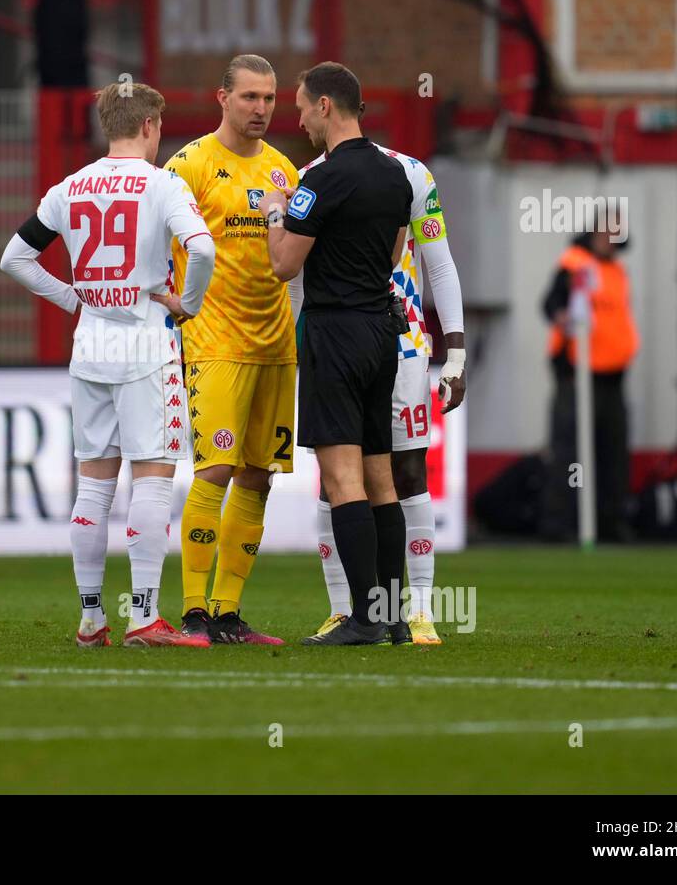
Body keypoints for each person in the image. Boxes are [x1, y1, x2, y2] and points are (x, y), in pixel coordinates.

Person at [0, 81, 216, 647]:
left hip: (91, 344)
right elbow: (204, 248)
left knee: (94, 483)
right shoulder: (163, 184)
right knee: (153, 475)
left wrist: (73, 297)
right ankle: (145, 616)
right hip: (145, 343)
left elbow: (15, 257)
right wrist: (187, 305)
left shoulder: (69, 187)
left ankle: (92, 618)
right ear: (149, 126)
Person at [262, 61, 414, 646]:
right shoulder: (395, 175)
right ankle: (394, 615)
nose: (297, 118)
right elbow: (396, 250)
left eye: (301, 107)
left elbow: (283, 264)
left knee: (342, 477)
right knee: (382, 478)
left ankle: (362, 619)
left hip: (334, 331)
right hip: (381, 331)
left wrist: (278, 208)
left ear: (327, 105)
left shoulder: (318, 182)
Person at [291, 143, 466, 646]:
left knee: (405, 472)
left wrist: (454, 353)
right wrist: (301, 345)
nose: (299, 119)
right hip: (341, 338)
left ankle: (419, 610)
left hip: (404, 340)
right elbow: (298, 277)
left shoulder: (412, 174)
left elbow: (440, 264)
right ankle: (345, 610)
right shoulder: (311, 176)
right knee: (336, 476)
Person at [162, 54, 301, 645]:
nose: (261, 109)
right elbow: (156, 242)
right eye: (249, 97)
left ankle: (227, 613)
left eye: (269, 98)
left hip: (276, 342)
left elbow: (292, 258)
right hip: (214, 338)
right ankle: (193, 610)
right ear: (221, 98)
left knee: (258, 475)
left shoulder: (283, 171)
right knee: (215, 468)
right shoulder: (188, 166)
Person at [539, 208, 638, 541]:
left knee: (613, 452)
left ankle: (611, 521)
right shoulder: (575, 262)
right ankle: (560, 523)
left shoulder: (617, 270)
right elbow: (552, 302)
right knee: (570, 451)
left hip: (613, 375)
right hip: (578, 374)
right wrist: (561, 315)